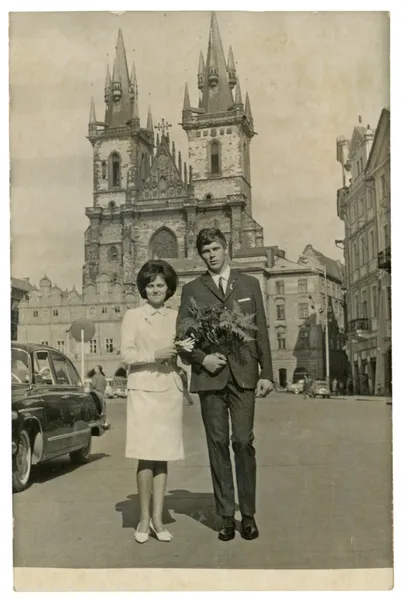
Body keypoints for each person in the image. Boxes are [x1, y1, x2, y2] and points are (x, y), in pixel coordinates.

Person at [177, 228, 274, 542]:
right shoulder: (192, 289)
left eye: (216, 249)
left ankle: (248, 515)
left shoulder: (249, 284)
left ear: (226, 248)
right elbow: (183, 338)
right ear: (201, 255)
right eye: (205, 251)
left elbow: (259, 330)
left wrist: (267, 373)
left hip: (245, 375)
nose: (211, 255)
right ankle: (226, 517)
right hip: (210, 378)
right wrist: (202, 359)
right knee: (217, 445)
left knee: (243, 442)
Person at [121, 260, 194, 544]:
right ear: (143, 288)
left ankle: (158, 520)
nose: (155, 289)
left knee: (163, 456)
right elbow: (126, 355)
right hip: (142, 391)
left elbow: (185, 351)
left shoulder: (177, 317)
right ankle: (142, 520)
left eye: (160, 285)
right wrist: (155, 354)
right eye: (150, 285)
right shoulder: (133, 316)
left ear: (169, 288)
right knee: (145, 455)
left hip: (168, 390)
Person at [89, 365, 110, 430]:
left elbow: (93, 385)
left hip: (96, 394)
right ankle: (103, 423)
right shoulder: (103, 377)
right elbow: (105, 385)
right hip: (102, 394)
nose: (94, 369)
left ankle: (95, 424)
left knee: (95, 408)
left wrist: (90, 385)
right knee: (103, 409)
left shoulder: (95, 376)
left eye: (95, 368)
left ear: (98, 369)